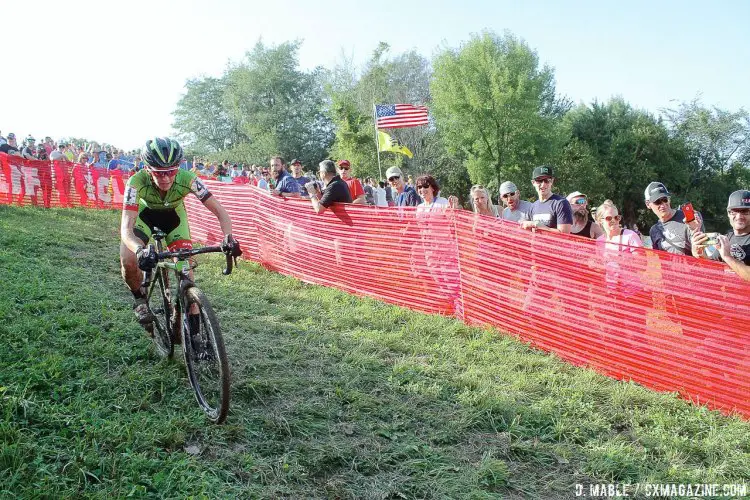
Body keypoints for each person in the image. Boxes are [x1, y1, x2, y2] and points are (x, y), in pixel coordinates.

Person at [119, 137, 241, 330]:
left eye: (171, 171)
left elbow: (221, 212)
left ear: (178, 167)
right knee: (128, 259)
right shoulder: (135, 182)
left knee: (186, 271)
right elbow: (126, 229)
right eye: (159, 173)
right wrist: (139, 249)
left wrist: (228, 237)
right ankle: (139, 299)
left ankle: (194, 332)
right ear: (147, 169)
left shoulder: (188, 179)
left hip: (174, 219)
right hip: (145, 217)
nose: (166, 178)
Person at [692, 190, 750, 282]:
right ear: (728, 214)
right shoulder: (725, 238)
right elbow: (713, 267)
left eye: (745, 211)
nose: (739, 216)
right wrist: (699, 254)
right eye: (734, 211)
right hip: (726, 295)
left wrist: (728, 257)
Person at [645, 182, 702, 255]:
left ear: (669, 199)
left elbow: (701, 253)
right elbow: (659, 259)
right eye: (657, 201)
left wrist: (695, 230)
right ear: (648, 204)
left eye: (665, 199)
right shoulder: (654, 231)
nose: (663, 205)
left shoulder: (689, 218)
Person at [520, 166, 572, 233]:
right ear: (533, 183)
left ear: (552, 181)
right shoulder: (532, 207)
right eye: (539, 180)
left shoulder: (561, 203)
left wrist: (537, 225)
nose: (543, 184)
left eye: (547, 180)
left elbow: (565, 235)